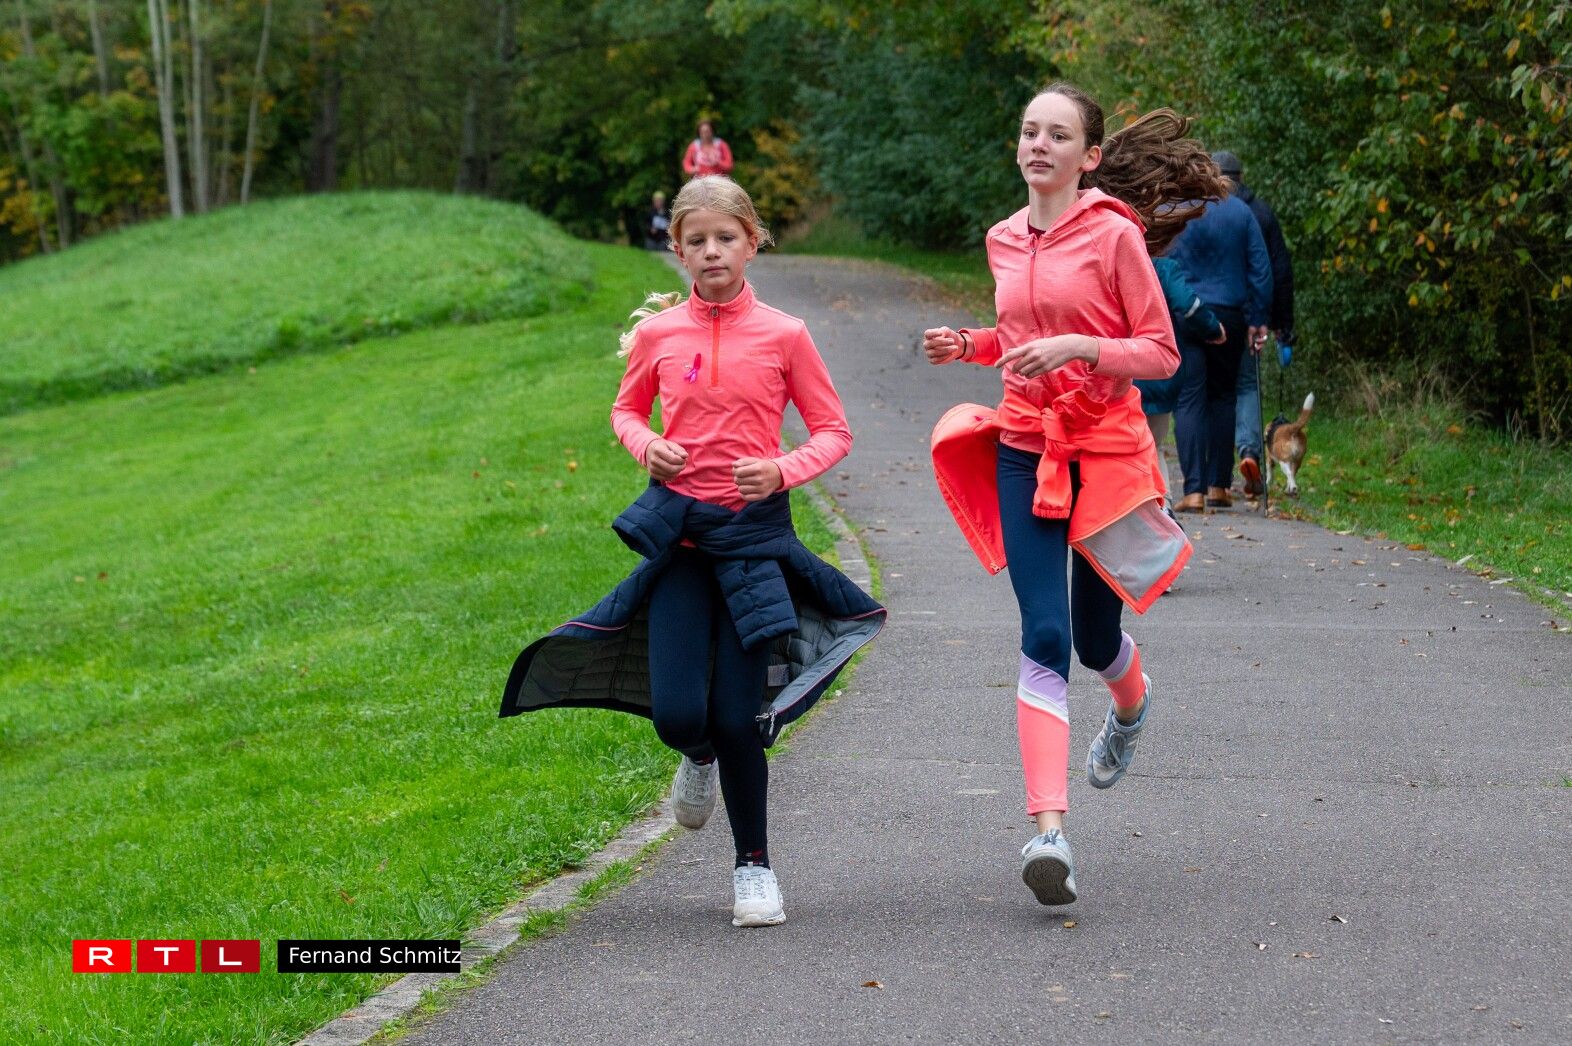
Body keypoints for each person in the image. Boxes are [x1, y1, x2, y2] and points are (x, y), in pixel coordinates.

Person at [499, 177, 884, 929]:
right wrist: (648, 445)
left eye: (726, 238)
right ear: (678, 250)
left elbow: (834, 431)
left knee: (739, 718)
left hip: (753, 543)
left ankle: (754, 870)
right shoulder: (659, 336)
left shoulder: (785, 334)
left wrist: (781, 470)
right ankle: (695, 754)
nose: (712, 252)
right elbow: (624, 411)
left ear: (752, 242)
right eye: (697, 241)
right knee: (680, 717)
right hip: (679, 541)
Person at [922, 84, 1224, 907]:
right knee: (1045, 633)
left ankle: (1132, 705)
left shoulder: (1114, 235)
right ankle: (1049, 833)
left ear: (1089, 156)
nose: (1038, 145)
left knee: (1095, 639)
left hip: (1106, 453)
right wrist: (969, 344)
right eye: (1029, 131)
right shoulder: (1002, 237)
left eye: (1057, 135)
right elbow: (1017, 339)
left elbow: (1160, 352)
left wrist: (1081, 347)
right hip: (1027, 448)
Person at [1166, 162, 1272, 511]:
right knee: (1224, 398)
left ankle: (1193, 491)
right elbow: (1260, 268)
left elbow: (1167, 260)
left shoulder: (1181, 211)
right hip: (1231, 312)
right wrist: (1258, 318)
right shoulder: (1241, 212)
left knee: (1189, 398)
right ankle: (1219, 487)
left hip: (1189, 311)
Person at [1212, 151, 1296, 496]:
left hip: (1209, 314)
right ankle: (1249, 451)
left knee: (1213, 390)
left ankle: (1210, 474)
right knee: (1246, 385)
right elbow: (1279, 270)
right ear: (1241, 177)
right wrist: (1281, 324)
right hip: (1249, 315)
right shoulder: (1261, 213)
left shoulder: (1203, 211)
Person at [1136, 254, 1227, 496]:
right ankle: (1161, 507)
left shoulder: (1104, 259)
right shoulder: (1162, 268)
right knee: (1153, 446)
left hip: (1113, 369)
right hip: (1153, 371)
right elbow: (1187, 304)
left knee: (1119, 451)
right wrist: (1213, 328)